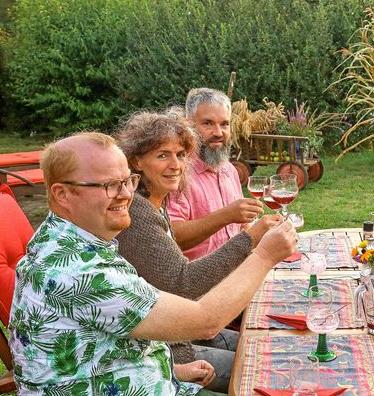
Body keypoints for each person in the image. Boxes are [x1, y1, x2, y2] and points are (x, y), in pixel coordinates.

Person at [8, 132, 297, 395]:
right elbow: (205, 321)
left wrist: (168, 369)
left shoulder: (61, 238)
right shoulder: (80, 272)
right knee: (276, 376)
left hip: (141, 378)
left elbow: (89, 348)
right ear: (62, 194)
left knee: (273, 354)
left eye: (126, 181)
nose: (125, 195)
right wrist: (264, 255)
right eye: (109, 185)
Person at [114, 110, 282, 392]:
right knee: (266, 370)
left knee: (268, 347)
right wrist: (252, 240)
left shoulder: (154, 203)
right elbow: (184, 283)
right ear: (136, 162)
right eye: (162, 155)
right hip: (166, 349)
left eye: (181, 154)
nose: (176, 164)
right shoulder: (138, 214)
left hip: (180, 329)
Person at [167, 88, 263, 260]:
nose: (218, 133)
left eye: (224, 124)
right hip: (196, 279)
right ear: (188, 126)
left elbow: (241, 228)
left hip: (235, 270)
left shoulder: (229, 170)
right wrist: (226, 215)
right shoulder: (176, 172)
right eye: (208, 123)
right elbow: (171, 236)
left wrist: (262, 232)